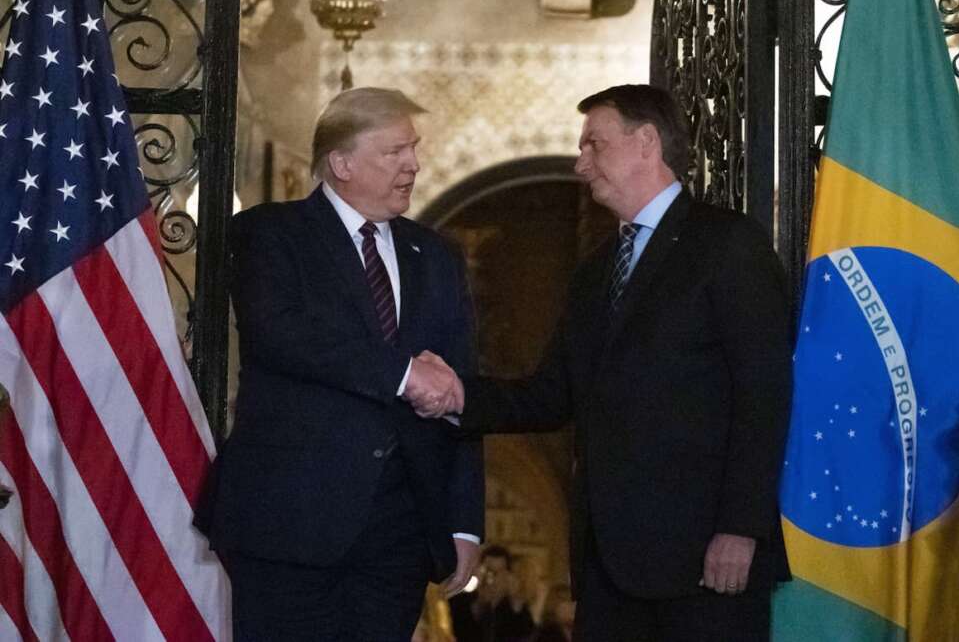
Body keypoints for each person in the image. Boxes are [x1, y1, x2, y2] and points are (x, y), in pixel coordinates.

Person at [409, 84, 792, 641]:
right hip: (608, 568)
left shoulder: (727, 244)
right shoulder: (595, 273)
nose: (580, 162)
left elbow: (764, 394)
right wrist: (458, 395)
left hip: (707, 559)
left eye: (594, 144)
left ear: (646, 142)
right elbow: (551, 395)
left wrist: (741, 527)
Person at [200, 87, 484, 640]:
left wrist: (466, 522)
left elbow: (459, 388)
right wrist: (404, 374)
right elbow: (281, 334)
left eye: (414, 148)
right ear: (342, 163)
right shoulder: (270, 233)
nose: (413, 164)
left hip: (398, 538)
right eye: (395, 151)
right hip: (288, 523)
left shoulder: (436, 255)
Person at [449, 545, 535, 641]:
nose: (493, 578)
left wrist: (516, 605)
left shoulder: (514, 605)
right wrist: (480, 603)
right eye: (489, 571)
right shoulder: (459, 601)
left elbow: (526, 635)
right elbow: (456, 630)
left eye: (499, 572)